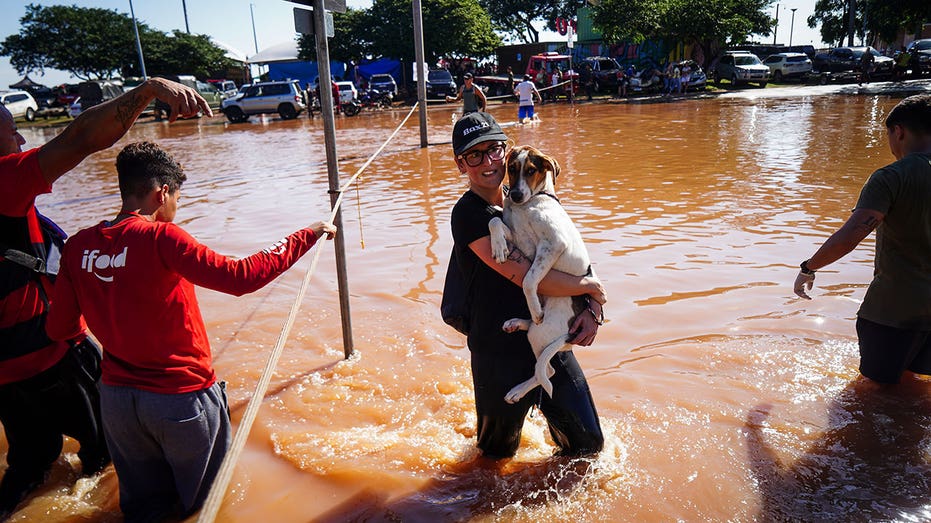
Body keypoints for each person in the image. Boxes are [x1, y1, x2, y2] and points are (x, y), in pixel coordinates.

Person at [45, 141, 336, 522]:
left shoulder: (78, 246)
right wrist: (308, 234)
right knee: (205, 509)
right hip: (179, 398)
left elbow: (61, 327)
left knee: (144, 511)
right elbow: (241, 277)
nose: (175, 208)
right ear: (161, 192)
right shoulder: (162, 238)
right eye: (176, 199)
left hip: (117, 403)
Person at [0, 77, 210, 518]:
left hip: (4, 376)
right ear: (163, 195)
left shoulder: (84, 243)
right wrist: (147, 90)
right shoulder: (4, 181)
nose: (21, 137)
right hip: (49, 355)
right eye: (10, 130)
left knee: (29, 464)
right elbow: (77, 139)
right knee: (108, 454)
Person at [449, 112, 606, 460]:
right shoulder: (469, 215)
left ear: (508, 154)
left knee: (587, 446)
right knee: (495, 458)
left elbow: (570, 251)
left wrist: (594, 308)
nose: (488, 162)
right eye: (474, 155)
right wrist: (592, 290)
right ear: (461, 165)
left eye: (494, 150)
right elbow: (528, 277)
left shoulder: (525, 199)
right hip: (499, 351)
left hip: (549, 335)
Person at [793, 94, 931, 385]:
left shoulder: (892, 177)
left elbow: (851, 236)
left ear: (899, 131)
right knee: (913, 386)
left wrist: (809, 268)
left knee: (875, 394)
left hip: (893, 309)